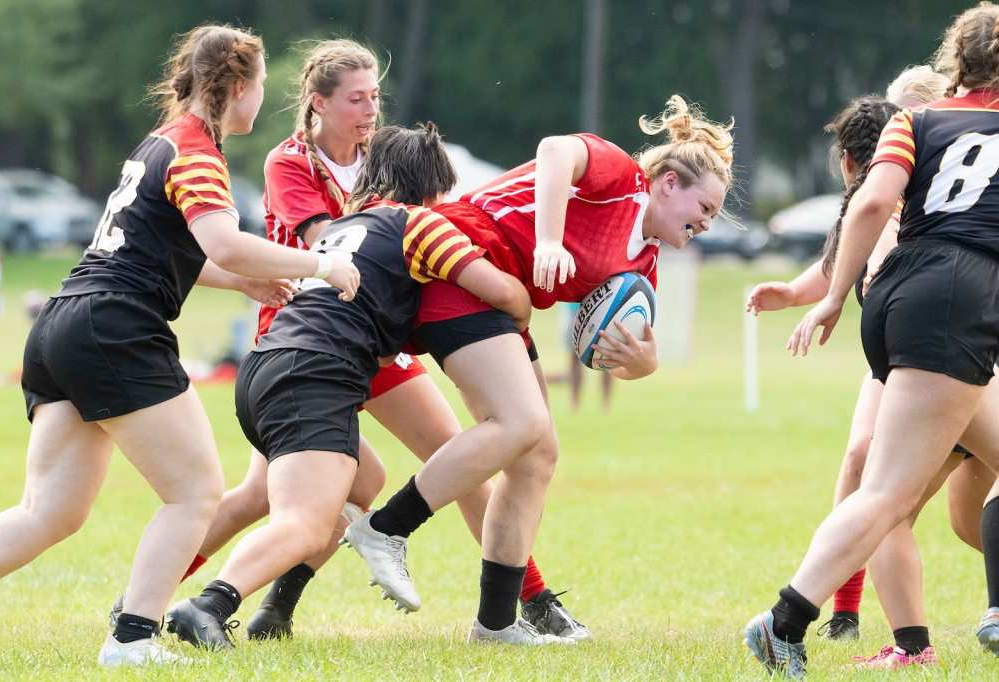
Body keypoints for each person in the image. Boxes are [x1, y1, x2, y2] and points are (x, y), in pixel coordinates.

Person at [134, 38, 590, 642]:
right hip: (315, 331)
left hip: (365, 338)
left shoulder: (384, 156)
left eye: (375, 96)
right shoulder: (289, 161)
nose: (370, 110)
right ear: (317, 104)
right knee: (260, 498)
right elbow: (337, 243)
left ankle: (525, 602)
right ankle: (146, 604)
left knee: (450, 463)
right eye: (356, 99)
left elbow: (417, 233)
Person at [0, 24, 360, 668]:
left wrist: (242, 282)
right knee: (196, 491)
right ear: (237, 86)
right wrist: (321, 265)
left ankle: (132, 635)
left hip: (64, 325)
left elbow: (162, 251)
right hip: (114, 328)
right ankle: (132, 639)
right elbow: (224, 240)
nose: (261, 98)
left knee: (48, 512)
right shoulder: (196, 151)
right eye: (260, 85)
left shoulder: (159, 143)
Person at [339, 95, 734, 644]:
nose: (708, 225)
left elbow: (626, 347)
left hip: (504, 301)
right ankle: (386, 529)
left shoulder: (643, 263)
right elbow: (554, 150)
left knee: (536, 455)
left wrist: (646, 362)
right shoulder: (621, 177)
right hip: (466, 256)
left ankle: (496, 623)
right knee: (521, 423)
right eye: (705, 209)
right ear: (668, 183)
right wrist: (548, 238)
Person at [163, 122, 534, 650]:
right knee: (305, 522)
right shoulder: (420, 224)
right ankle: (210, 604)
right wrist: (525, 302)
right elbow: (501, 293)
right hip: (315, 374)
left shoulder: (343, 227)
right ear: (432, 190)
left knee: (363, 482)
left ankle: (268, 608)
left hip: (270, 365)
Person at [743, 4, 999, 676]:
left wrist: (832, 296)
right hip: (959, 297)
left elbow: (874, 201)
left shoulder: (913, 121)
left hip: (898, 293)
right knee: (887, 493)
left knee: (884, 486)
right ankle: (785, 621)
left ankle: (940, 629)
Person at [558, 301, 613, 410]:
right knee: (574, 355)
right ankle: (574, 403)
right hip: (573, 305)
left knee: (607, 353)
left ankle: (606, 403)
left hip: (603, 304)